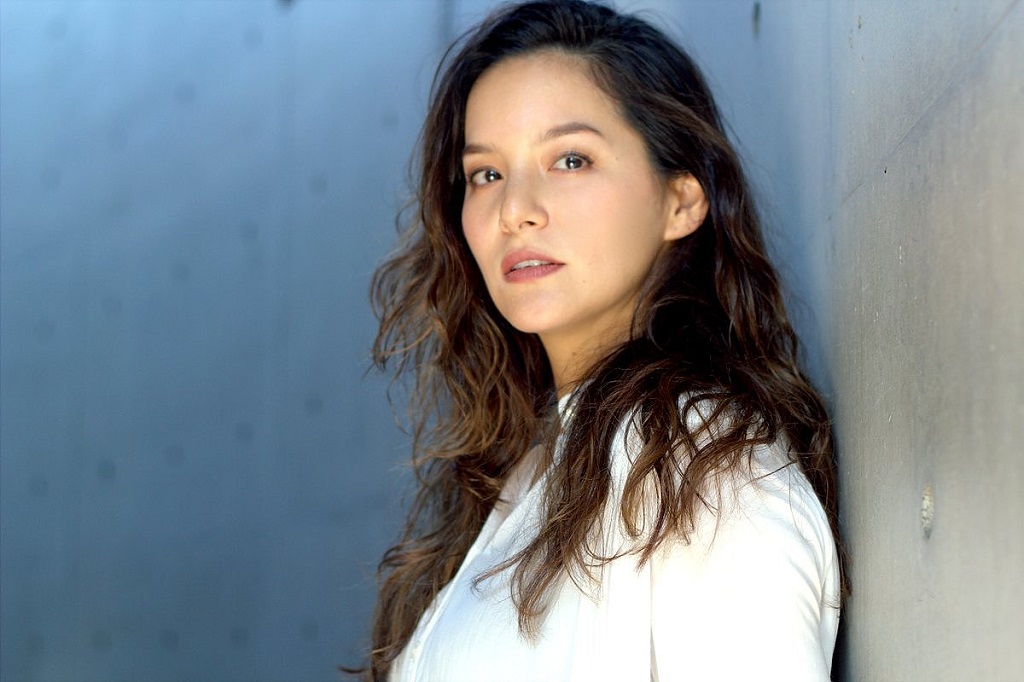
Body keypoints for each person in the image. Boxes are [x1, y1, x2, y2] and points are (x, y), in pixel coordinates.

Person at [359, 1, 844, 679]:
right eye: (486, 174)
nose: (515, 210)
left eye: (571, 159)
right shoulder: (531, 470)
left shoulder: (704, 471)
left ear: (682, 201)